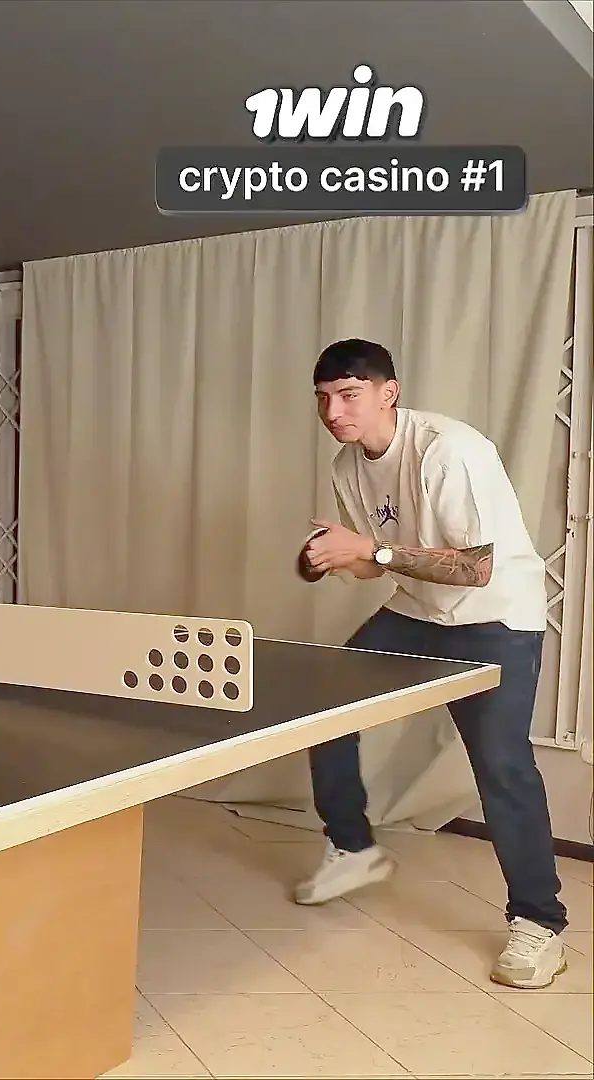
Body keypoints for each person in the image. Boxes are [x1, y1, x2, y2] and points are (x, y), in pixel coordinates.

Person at [296, 337, 566, 989]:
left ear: (389, 393)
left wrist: (371, 552)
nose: (334, 412)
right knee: (325, 698)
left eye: (349, 395)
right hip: (419, 613)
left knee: (501, 766)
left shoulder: (448, 450)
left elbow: (474, 567)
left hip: (495, 617)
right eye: (325, 398)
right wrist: (336, 557)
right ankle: (352, 846)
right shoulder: (346, 465)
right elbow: (376, 563)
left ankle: (540, 923)